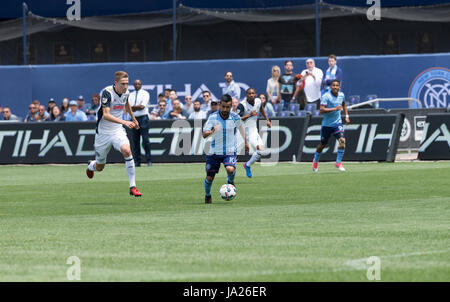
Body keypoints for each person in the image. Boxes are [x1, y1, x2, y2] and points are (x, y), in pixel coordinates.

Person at [86, 71, 142, 197]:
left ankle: (133, 186)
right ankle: (91, 166)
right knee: (100, 166)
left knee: (127, 151)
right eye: (123, 84)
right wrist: (125, 122)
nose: (126, 86)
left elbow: (126, 102)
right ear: (116, 83)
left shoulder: (126, 92)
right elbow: (106, 115)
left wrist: (133, 119)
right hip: (103, 133)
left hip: (117, 130)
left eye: (127, 84)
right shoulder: (107, 92)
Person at [202, 94, 249, 204]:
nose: (225, 109)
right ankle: (207, 196)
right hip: (214, 152)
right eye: (223, 107)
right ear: (219, 105)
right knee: (209, 178)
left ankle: (231, 181)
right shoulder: (212, 117)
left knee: (230, 169)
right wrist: (213, 131)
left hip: (229, 150)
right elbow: (204, 134)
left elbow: (241, 128)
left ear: (231, 106)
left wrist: (246, 142)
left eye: (228, 107)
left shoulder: (234, 117)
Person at [312, 80, 350, 173]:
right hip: (327, 125)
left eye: (337, 85)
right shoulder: (326, 96)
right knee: (322, 145)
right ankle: (315, 161)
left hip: (337, 123)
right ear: (331, 87)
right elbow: (321, 110)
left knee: (342, 141)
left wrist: (347, 116)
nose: (335, 87)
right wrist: (335, 109)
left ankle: (338, 162)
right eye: (333, 85)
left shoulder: (341, 95)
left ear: (339, 87)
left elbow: (344, 104)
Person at [237, 88, 272, 178]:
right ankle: (230, 176)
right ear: (246, 95)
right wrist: (249, 115)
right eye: (249, 93)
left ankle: (247, 165)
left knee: (260, 150)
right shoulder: (242, 105)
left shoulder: (258, 101)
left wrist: (267, 120)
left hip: (253, 130)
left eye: (253, 93)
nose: (251, 95)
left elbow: (261, 108)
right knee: (235, 156)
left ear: (256, 94)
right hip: (242, 132)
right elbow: (237, 119)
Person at [128, 79, 152, 167]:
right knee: (135, 141)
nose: (137, 85)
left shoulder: (145, 93)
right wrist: (134, 107)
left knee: (146, 140)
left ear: (141, 85)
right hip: (134, 118)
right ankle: (137, 161)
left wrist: (133, 107)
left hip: (143, 118)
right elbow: (128, 108)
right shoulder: (130, 95)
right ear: (133, 85)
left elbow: (142, 106)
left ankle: (149, 160)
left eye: (139, 84)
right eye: (136, 84)